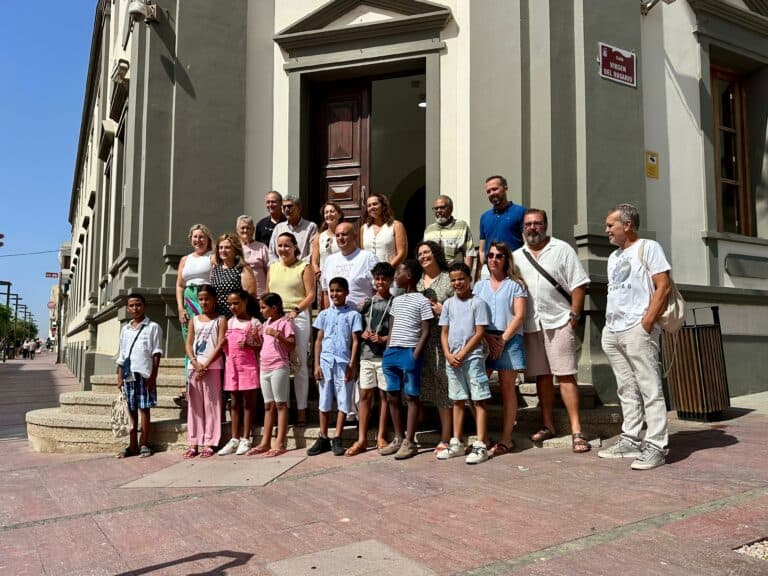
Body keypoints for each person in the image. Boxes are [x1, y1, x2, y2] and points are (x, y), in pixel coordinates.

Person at [598, 204, 671, 470]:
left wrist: (647, 322)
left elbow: (663, 285)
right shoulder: (613, 257)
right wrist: (609, 327)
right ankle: (630, 438)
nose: (606, 230)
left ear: (627, 225)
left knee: (649, 387)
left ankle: (657, 445)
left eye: (610, 225)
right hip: (614, 330)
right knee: (626, 387)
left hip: (637, 329)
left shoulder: (649, 247)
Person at [514, 209, 591, 453]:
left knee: (566, 375)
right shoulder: (516, 256)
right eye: (528, 224)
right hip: (531, 325)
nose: (533, 228)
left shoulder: (562, 249)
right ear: (523, 228)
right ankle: (548, 424)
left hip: (559, 321)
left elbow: (579, 284)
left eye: (537, 223)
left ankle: (577, 430)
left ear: (545, 225)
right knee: (542, 377)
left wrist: (574, 315)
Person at [473, 241, 527, 457]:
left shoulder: (516, 285)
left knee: (507, 390)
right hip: (484, 339)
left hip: (509, 339)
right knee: (477, 389)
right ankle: (482, 437)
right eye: (491, 255)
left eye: (499, 256)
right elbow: (474, 314)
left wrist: (502, 340)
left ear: (506, 260)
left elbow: (520, 315)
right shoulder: (479, 286)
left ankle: (506, 439)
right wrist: (487, 336)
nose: (493, 259)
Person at [438, 262, 492, 464]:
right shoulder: (449, 304)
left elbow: (479, 332)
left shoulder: (477, 303)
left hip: (472, 358)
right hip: (452, 361)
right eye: (453, 280)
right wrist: (448, 354)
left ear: (469, 279)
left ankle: (480, 444)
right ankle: (457, 442)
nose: (457, 283)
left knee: (479, 399)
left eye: (461, 278)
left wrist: (462, 353)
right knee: (457, 399)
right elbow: (444, 332)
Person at [380, 260, 433, 460]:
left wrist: (416, 354)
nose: (395, 276)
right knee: (392, 395)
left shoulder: (421, 300)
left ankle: (410, 441)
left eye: (399, 272)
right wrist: (387, 350)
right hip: (392, 352)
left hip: (409, 352)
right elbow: (392, 327)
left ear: (409, 276)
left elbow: (426, 330)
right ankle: (398, 437)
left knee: (411, 396)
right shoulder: (396, 300)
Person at [308, 277, 363, 456]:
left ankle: (337, 437)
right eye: (332, 291)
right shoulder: (324, 314)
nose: (334, 294)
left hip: (343, 363)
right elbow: (318, 340)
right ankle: (323, 436)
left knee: (343, 399)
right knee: (324, 400)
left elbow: (355, 341)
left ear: (346, 292)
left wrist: (351, 364)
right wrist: (316, 364)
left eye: (339, 290)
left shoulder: (353, 315)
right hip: (325, 362)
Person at [267, 232, 316, 427]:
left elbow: (311, 294)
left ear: (295, 247)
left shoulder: (304, 267)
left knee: (299, 364)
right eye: (280, 245)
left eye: (287, 245)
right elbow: (269, 295)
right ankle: (283, 410)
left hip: (298, 317)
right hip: (276, 319)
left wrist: (296, 310)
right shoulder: (273, 268)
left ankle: (302, 410)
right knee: (280, 365)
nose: (283, 249)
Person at [415, 240, 454, 456]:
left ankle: (446, 436)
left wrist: (442, 309)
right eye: (420, 253)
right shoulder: (417, 281)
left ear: (436, 253)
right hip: (422, 341)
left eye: (427, 252)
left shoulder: (448, 279)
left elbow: (461, 305)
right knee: (424, 384)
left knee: (443, 386)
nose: (423, 256)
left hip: (442, 339)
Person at [353, 261, 396, 456]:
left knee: (384, 397)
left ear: (391, 280)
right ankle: (362, 438)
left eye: (384, 279)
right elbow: (358, 327)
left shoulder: (394, 303)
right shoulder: (366, 303)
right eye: (377, 279)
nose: (380, 282)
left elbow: (397, 332)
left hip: (384, 356)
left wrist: (383, 338)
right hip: (366, 355)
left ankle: (381, 435)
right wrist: (362, 334)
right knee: (365, 396)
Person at [115, 293, 163, 459]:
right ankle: (132, 444)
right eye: (132, 306)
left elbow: (156, 354)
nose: (135, 308)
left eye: (138, 305)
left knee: (144, 409)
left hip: (144, 375)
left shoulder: (153, 327)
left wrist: (153, 377)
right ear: (127, 309)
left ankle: (144, 443)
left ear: (144, 306)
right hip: (129, 376)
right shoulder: (125, 329)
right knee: (131, 411)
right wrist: (119, 376)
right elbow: (122, 354)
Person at [248, 292, 296, 457]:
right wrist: (255, 337)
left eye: (263, 307)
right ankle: (265, 442)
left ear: (274, 308)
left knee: (281, 404)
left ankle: (280, 442)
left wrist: (279, 336)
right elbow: (262, 344)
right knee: (268, 405)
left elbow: (291, 345)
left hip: (279, 367)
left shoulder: (285, 323)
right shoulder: (266, 322)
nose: (261, 310)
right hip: (265, 367)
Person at [183, 285, 227, 459]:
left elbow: (220, 343)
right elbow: (189, 342)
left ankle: (210, 441)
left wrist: (206, 364)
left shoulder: (220, 319)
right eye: (201, 299)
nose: (204, 302)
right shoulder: (194, 319)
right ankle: (194, 441)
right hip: (195, 367)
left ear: (214, 299)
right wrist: (194, 362)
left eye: (207, 298)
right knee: (194, 406)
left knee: (212, 404)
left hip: (213, 366)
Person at [217, 290, 262, 457]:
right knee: (234, 402)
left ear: (245, 302)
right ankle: (234, 438)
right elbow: (222, 344)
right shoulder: (228, 323)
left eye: (236, 303)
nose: (233, 307)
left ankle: (246, 437)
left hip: (248, 367)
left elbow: (262, 345)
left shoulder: (255, 323)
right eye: (230, 304)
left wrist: (251, 344)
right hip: (232, 367)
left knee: (248, 403)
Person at [477, 175, 527, 280]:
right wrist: (486, 267)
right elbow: (481, 249)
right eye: (488, 191)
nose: (492, 193)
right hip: (489, 272)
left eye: (495, 189)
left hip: (513, 269)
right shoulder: (485, 217)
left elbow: (526, 245)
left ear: (505, 188)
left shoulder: (521, 212)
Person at [321, 222, 378, 310]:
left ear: (355, 236)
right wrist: (327, 314)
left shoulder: (368, 258)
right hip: (336, 318)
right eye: (337, 235)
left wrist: (371, 310)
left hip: (362, 316)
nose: (340, 238)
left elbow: (378, 289)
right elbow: (325, 292)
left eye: (344, 234)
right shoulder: (329, 260)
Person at [176, 224, 214, 339]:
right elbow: (179, 285)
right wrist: (181, 308)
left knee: (204, 331)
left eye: (202, 237)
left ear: (208, 239)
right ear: (191, 238)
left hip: (205, 298)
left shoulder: (212, 256)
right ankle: (190, 357)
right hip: (188, 300)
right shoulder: (185, 259)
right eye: (195, 237)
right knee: (188, 332)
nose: (198, 240)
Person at [210, 234, 258, 319]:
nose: (223, 250)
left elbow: (250, 296)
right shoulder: (216, 269)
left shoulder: (243, 269)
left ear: (236, 250)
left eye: (227, 248)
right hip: (218, 318)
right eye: (220, 247)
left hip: (236, 318)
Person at [422, 195, 476, 269]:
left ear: (451, 209)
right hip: (434, 274)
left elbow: (469, 253)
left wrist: (467, 275)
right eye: (436, 208)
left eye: (442, 207)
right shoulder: (429, 230)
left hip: (454, 274)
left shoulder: (462, 226)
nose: (438, 211)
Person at [361, 193, 408, 269]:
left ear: (383, 206)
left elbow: (402, 253)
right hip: (369, 274)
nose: (371, 207)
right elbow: (363, 254)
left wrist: (387, 269)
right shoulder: (364, 228)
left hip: (390, 272)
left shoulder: (396, 225)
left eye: (375, 204)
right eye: (369, 205)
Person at [311, 202, 344, 309]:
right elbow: (314, 261)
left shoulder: (345, 234)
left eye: (332, 211)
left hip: (342, 277)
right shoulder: (319, 237)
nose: (329, 214)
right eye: (326, 212)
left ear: (339, 215)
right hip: (324, 280)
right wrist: (318, 274)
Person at [268, 194, 318, 264]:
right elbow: (271, 252)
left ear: (299, 208)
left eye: (289, 206)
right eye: (284, 207)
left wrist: (297, 266)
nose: (286, 209)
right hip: (281, 271)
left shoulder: (311, 227)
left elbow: (313, 253)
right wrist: (280, 266)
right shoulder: (278, 228)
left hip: (301, 270)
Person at [236, 215, 269, 300]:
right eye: (242, 228)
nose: (245, 230)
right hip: (239, 297)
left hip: (260, 296)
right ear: (237, 230)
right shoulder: (234, 247)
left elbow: (269, 271)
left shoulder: (262, 247)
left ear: (253, 230)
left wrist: (267, 292)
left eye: (248, 228)